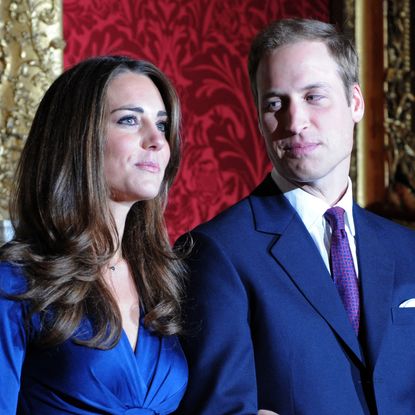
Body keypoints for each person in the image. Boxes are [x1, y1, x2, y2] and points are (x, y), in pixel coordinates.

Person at [174, 18, 415, 415]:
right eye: (274, 103)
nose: (294, 122)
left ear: (355, 102)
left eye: (313, 97)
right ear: (258, 119)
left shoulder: (406, 248)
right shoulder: (216, 253)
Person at [0, 56, 188, 414]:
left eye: (162, 125)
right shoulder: (14, 279)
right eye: (130, 120)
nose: (157, 141)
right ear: (77, 138)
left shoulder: (164, 276)